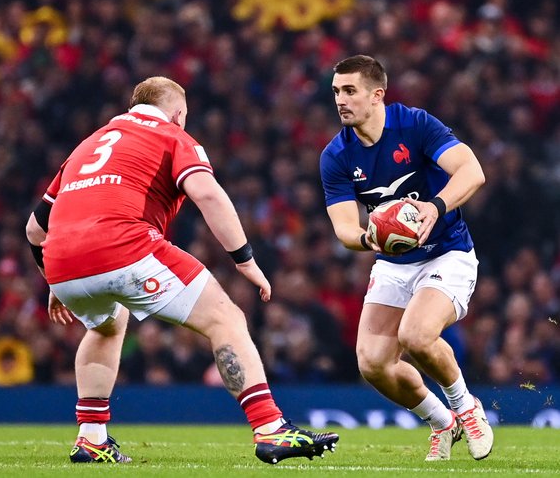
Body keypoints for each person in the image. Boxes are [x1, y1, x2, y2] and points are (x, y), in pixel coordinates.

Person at [26, 76, 339, 465]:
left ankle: (91, 438)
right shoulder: (171, 135)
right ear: (177, 114)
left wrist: (56, 279)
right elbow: (207, 193)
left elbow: (35, 229)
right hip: (123, 244)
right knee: (225, 318)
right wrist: (245, 260)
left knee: (106, 326)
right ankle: (270, 428)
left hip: (61, 261)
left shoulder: (87, 146)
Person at [320, 55, 493, 461]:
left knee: (416, 336)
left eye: (350, 91)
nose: (341, 100)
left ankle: (467, 409)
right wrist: (369, 238)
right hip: (394, 264)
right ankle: (442, 422)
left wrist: (435, 206)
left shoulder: (415, 125)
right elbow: (344, 228)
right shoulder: (336, 155)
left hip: (447, 254)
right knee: (372, 363)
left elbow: (472, 171)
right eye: (336, 91)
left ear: (377, 94)